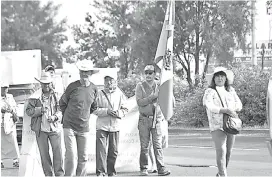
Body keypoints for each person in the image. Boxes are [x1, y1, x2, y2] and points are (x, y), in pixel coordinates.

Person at [59, 59, 99, 176]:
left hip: (84, 127)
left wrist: (84, 115)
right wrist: (69, 116)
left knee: (83, 157)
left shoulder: (94, 89)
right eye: (82, 71)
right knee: (71, 156)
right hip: (69, 126)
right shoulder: (72, 86)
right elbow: (62, 103)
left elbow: (93, 107)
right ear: (79, 72)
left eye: (87, 72)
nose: (84, 74)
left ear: (91, 73)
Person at [203, 67, 242, 177]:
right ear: (214, 78)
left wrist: (232, 109)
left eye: (222, 76)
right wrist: (224, 110)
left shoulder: (231, 90)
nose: (220, 78)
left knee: (228, 152)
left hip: (230, 124)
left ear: (226, 78)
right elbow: (210, 106)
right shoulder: (210, 91)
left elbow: (239, 104)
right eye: (217, 76)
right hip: (217, 125)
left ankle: (220, 173)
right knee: (221, 150)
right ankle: (223, 174)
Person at [25, 72, 64, 176]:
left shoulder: (57, 95)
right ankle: (48, 175)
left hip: (54, 129)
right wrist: (39, 110)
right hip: (41, 130)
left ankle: (59, 174)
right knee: (44, 155)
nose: (46, 85)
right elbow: (28, 111)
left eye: (47, 83)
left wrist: (55, 117)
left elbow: (61, 110)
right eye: (43, 83)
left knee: (58, 154)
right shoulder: (35, 96)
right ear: (40, 84)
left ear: (51, 83)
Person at [135, 64, 171, 176]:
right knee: (144, 146)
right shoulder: (140, 86)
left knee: (157, 145)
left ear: (155, 74)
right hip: (144, 120)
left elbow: (167, 100)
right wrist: (153, 97)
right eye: (146, 73)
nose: (148, 75)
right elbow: (140, 102)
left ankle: (161, 168)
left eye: (150, 73)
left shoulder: (160, 86)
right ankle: (143, 168)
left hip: (157, 119)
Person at [93, 71, 128, 177]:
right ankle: (100, 172)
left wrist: (119, 113)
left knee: (114, 150)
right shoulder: (99, 94)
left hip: (115, 126)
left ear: (115, 82)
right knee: (101, 151)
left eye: (111, 80)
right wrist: (106, 111)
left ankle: (111, 172)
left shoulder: (120, 93)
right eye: (106, 80)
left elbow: (125, 108)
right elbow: (94, 109)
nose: (108, 83)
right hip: (102, 126)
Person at [1, 83, 20, 168]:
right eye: (3, 88)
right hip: (1, 122)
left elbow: (15, 108)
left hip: (9, 122)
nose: (5, 90)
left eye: (6, 88)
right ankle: (1, 161)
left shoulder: (10, 97)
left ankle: (15, 160)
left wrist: (12, 110)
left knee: (13, 141)